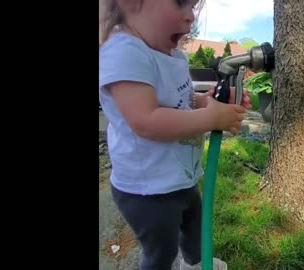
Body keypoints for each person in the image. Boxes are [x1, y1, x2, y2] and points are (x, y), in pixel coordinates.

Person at [99, 0, 252, 269]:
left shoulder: (173, 56)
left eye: (193, 6)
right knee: (161, 252)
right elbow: (146, 121)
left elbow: (183, 99)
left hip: (179, 177)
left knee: (195, 230)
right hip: (147, 190)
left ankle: (194, 263)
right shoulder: (123, 51)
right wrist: (211, 118)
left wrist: (210, 101)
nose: (191, 16)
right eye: (181, 3)